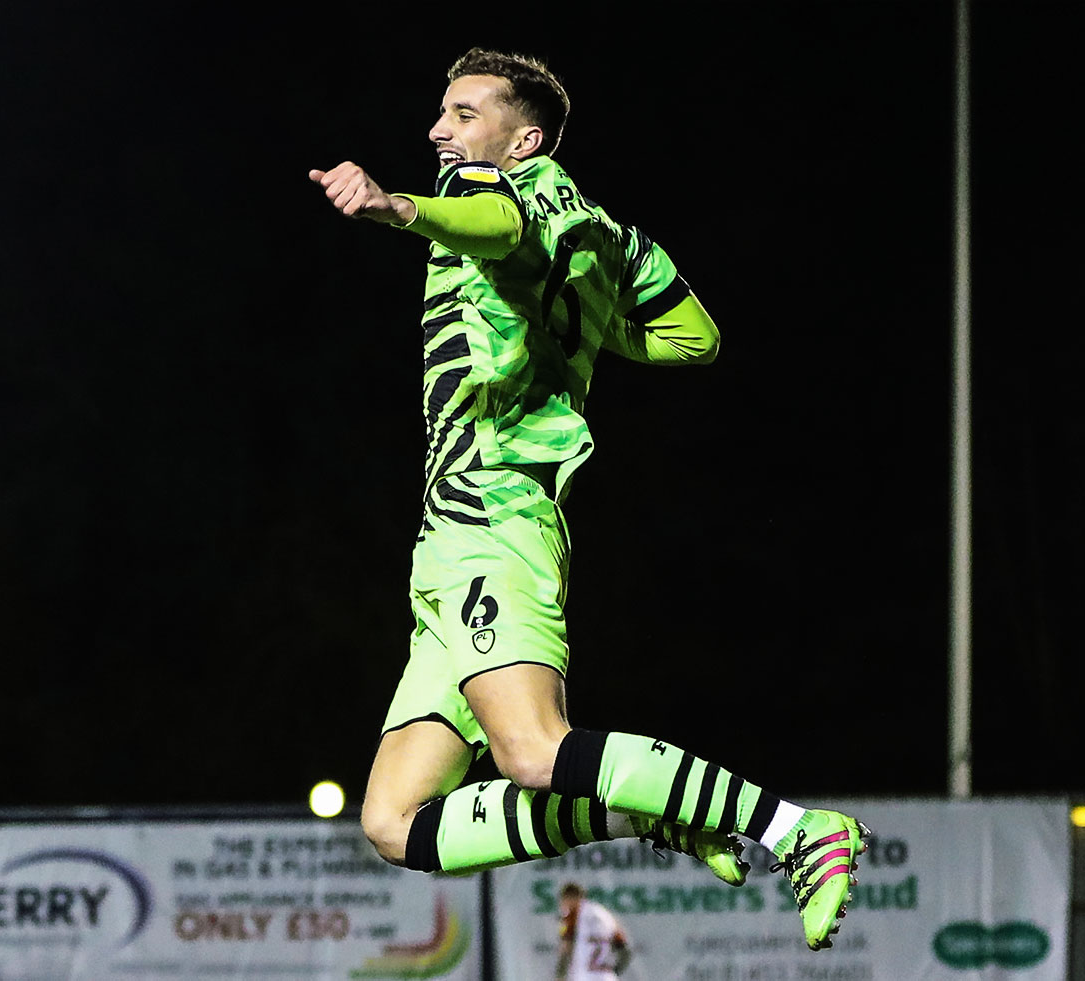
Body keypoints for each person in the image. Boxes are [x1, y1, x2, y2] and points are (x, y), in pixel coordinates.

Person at [308, 47, 868, 952]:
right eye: (442, 112)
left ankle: (796, 828)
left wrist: (396, 207)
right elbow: (694, 338)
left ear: (523, 139)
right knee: (393, 821)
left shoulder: (498, 191)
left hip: (494, 516)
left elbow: (497, 221)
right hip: (453, 538)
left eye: (463, 114)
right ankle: (651, 813)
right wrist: (586, 325)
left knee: (534, 750)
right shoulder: (609, 235)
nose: (439, 129)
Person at [557, 882, 630, 980]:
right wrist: (614, 972)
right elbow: (625, 952)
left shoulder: (574, 915)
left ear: (571, 898)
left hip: (585, 976)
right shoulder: (605, 915)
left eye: (564, 900)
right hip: (606, 977)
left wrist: (560, 975)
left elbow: (566, 947)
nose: (563, 905)